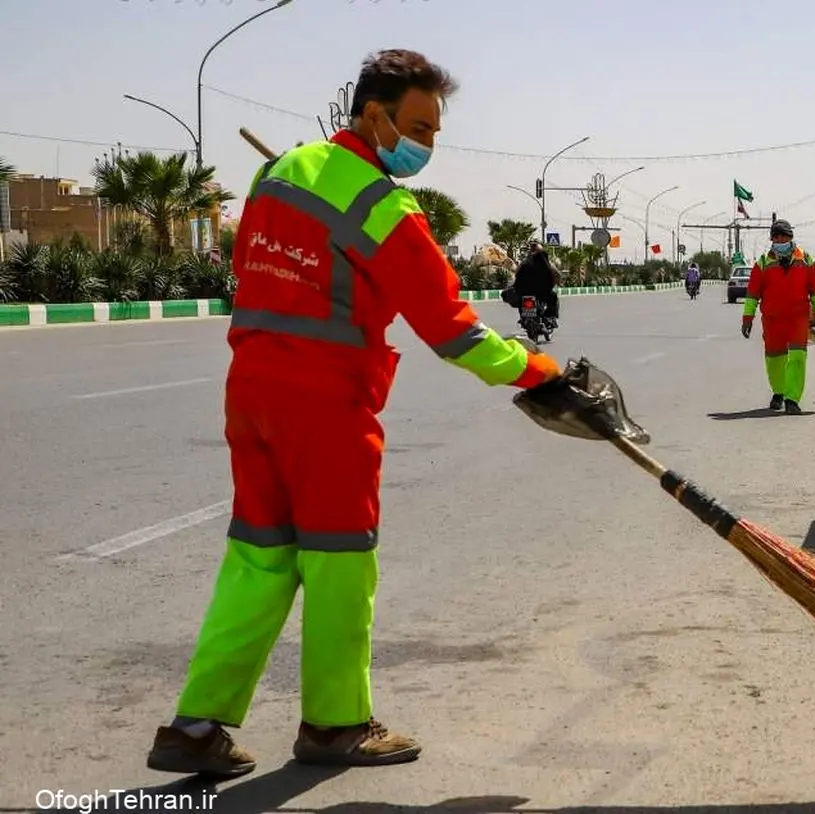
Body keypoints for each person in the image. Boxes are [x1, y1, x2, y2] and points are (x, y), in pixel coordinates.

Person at [145, 48, 562, 778]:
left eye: (435, 132)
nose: (428, 145)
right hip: (326, 405)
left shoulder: (278, 172)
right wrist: (538, 369)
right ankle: (336, 724)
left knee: (258, 558)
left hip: (251, 391)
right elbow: (453, 331)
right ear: (375, 115)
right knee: (340, 563)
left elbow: (255, 270)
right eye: (419, 128)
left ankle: (194, 727)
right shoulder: (381, 206)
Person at [740, 219, 815, 415]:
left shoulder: (806, 260)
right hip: (773, 319)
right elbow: (752, 294)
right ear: (772, 239)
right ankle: (779, 392)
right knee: (774, 358)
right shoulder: (763, 262)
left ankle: (792, 399)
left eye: (784, 237)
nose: (780, 240)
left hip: (798, 318)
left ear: (790, 237)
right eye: (776, 237)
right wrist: (747, 318)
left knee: (797, 357)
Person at [508, 240, 560, 326]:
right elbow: (556, 274)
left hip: (525, 291)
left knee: (521, 300)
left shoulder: (524, 262)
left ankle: (523, 318)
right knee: (553, 297)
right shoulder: (545, 262)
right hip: (540, 291)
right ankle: (549, 317)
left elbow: (517, 273)